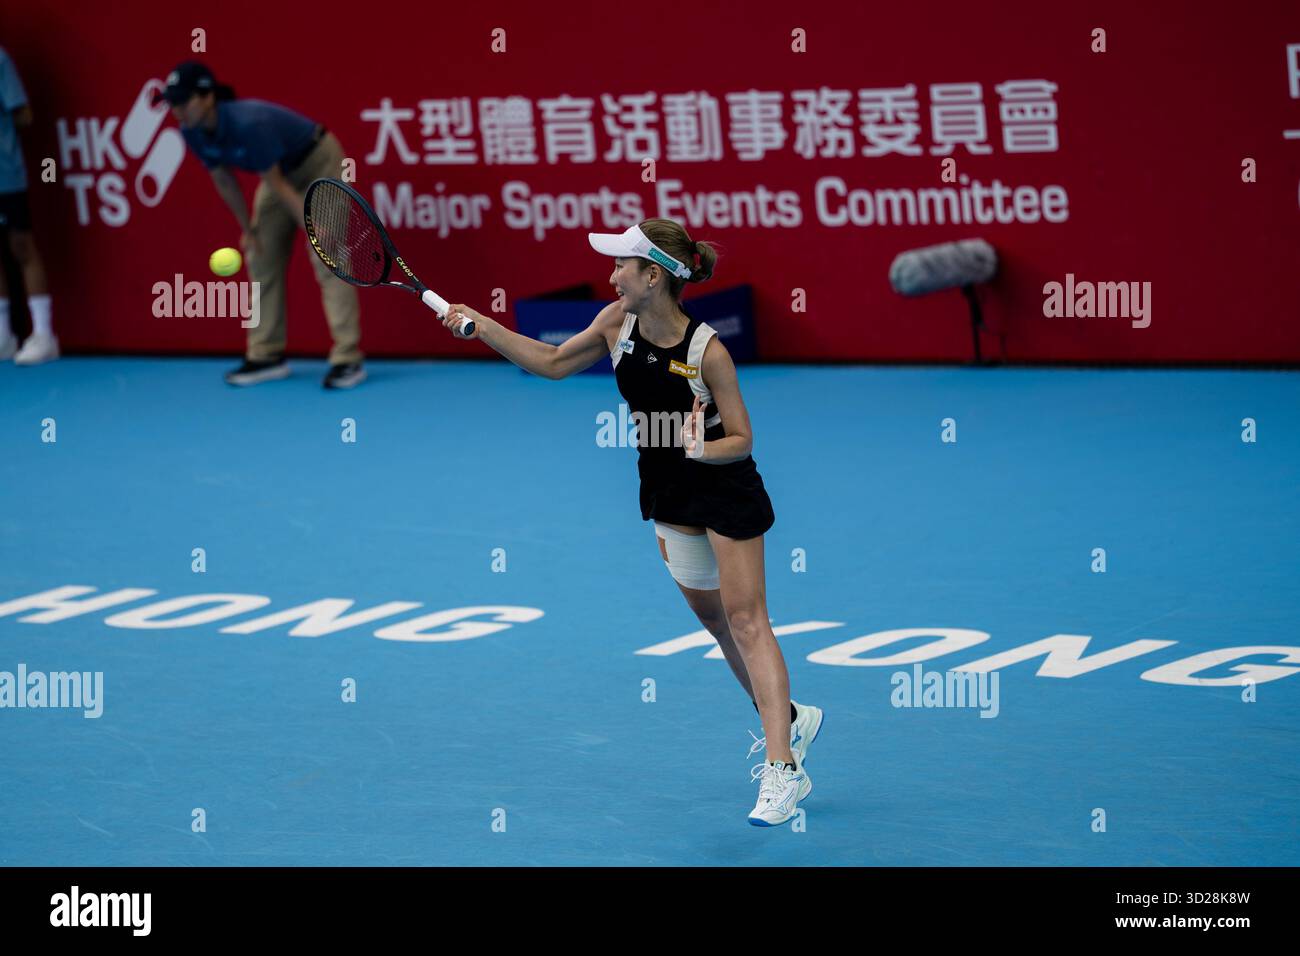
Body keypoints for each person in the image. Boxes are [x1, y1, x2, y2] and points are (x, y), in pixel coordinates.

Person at [439, 220, 824, 827]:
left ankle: (783, 770)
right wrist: (481, 325)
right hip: (666, 492)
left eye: (622, 264)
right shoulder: (617, 320)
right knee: (715, 622)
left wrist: (704, 449)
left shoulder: (709, 352)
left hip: (725, 491)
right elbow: (553, 361)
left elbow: (744, 438)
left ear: (654, 276)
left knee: (749, 620)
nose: (611, 272)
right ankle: (792, 718)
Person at [156, 61, 365, 388]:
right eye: (173, 103)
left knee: (328, 256)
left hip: (318, 163)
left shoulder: (248, 123)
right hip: (278, 175)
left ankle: (348, 358)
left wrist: (313, 229)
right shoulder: (190, 131)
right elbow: (223, 179)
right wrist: (248, 230)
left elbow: (279, 185)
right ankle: (266, 354)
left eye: (183, 101)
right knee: (260, 255)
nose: (177, 110)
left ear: (208, 96)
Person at [0, 45, 58, 365]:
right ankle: (3, 336)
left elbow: (25, 114)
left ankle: (44, 334)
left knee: (21, 245)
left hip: (6, 174)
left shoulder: (0, 59)